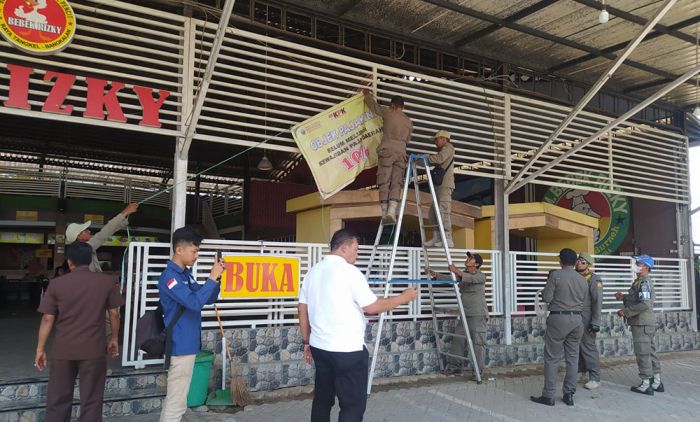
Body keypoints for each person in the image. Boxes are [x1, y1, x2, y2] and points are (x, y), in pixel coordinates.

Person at [298, 229, 418, 422]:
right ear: (344, 248)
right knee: (352, 406)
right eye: (356, 248)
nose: (357, 253)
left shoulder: (313, 271)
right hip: (347, 352)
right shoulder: (350, 272)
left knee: (322, 400)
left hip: (319, 348)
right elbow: (372, 307)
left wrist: (306, 342)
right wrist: (404, 297)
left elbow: (302, 309)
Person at [35, 242, 121, 422]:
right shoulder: (107, 281)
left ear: (69, 262)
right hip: (94, 350)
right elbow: (114, 314)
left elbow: (48, 318)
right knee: (91, 400)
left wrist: (40, 349)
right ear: (90, 260)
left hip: (63, 350)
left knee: (58, 400)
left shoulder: (57, 284)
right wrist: (113, 338)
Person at [158, 227, 223, 422]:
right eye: (194, 251)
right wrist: (211, 277)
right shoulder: (170, 277)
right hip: (180, 345)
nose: (196, 255)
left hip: (187, 344)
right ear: (179, 250)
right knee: (176, 402)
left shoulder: (185, 275)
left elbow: (207, 298)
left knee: (176, 399)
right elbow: (194, 303)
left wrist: (216, 278)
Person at [531, 248, 588, 407]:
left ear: (560, 261)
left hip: (558, 318)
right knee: (573, 358)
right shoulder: (583, 279)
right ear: (575, 262)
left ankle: (548, 395)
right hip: (577, 319)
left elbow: (547, 297)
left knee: (552, 358)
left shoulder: (555, 275)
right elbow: (584, 299)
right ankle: (569, 394)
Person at [427, 252, 487, 380]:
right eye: (468, 257)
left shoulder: (480, 276)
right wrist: (436, 275)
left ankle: (478, 372)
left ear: (476, 264)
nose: (468, 259)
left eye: (471, 258)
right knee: (458, 340)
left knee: (478, 343)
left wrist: (456, 270)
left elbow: (468, 278)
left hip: (478, 315)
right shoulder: (463, 275)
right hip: (465, 314)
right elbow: (452, 278)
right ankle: (455, 367)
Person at [361, 88, 413, 223]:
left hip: (388, 151)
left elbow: (374, 108)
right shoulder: (409, 122)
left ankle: (384, 211)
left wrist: (367, 95)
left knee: (384, 179)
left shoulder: (389, 112)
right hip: (401, 153)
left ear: (392, 105)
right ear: (403, 106)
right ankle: (392, 210)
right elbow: (407, 140)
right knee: (397, 181)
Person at [615, 254, 663, 395]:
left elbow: (644, 304)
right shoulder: (639, 282)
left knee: (642, 353)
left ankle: (646, 383)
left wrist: (626, 311)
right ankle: (657, 381)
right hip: (644, 323)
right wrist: (624, 297)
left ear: (646, 267)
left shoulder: (644, 283)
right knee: (650, 352)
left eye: (639, 263)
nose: (635, 264)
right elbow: (638, 298)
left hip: (641, 323)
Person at [65, 203, 139, 272]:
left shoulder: (77, 251)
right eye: (85, 230)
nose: (89, 231)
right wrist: (125, 212)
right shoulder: (86, 247)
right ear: (79, 236)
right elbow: (105, 232)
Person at [575, 252, 603, 390]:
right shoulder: (574, 277)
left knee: (588, 346)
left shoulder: (594, 279)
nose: (579, 263)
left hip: (587, 317)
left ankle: (594, 377)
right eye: (578, 261)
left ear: (589, 265)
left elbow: (597, 302)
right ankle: (581, 372)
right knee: (577, 346)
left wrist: (596, 322)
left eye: (583, 262)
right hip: (574, 316)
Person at [424, 130, 455, 248]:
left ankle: (447, 237)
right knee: (433, 213)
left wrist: (426, 158)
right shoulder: (443, 150)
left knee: (443, 210)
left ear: (443, 138)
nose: (435, 143)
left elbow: (439, 159)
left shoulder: (449, 148)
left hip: (445, 185)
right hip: (439, 186)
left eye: (436, 140)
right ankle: (437, 237)